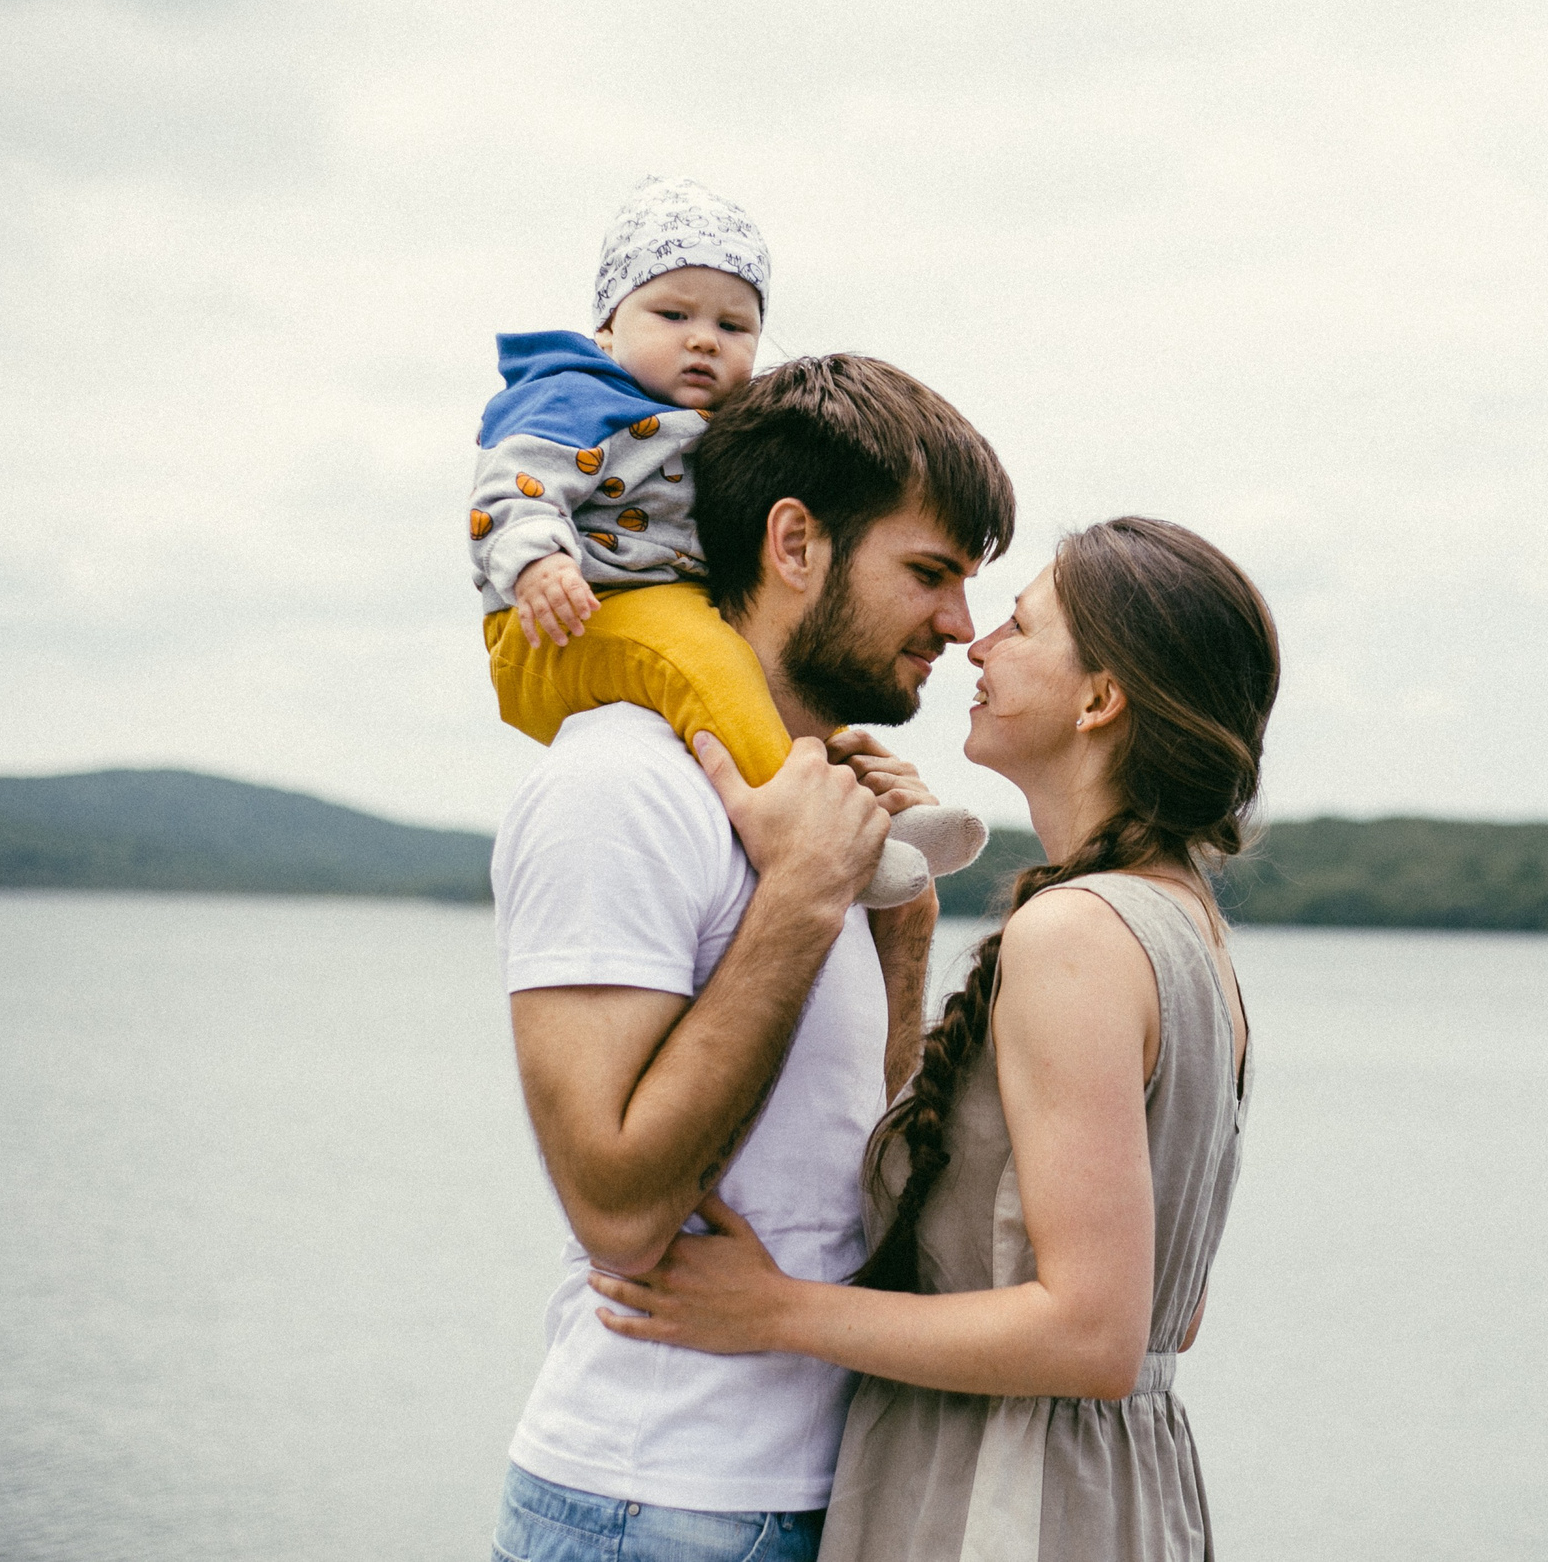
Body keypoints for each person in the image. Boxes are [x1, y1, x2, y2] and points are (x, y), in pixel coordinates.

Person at [586, 517, 1280, 1562]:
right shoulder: (1185, 928)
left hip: (1008, 1505)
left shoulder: (1074, 934)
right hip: (1120, 1496)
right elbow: (1162, 1320)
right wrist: (898, 912)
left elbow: (1090, 1334)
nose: (977, 643)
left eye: (1020, 624)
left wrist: (777, 1311)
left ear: (1100, 700)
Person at [488, 354, 1016, 1562]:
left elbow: (854, 1174)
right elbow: (615, 1205)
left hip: (827, 1492)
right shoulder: (617, 783)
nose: (959, 626)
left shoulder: (811, 806)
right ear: (794, 544)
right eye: (928, 574)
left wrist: (898, 925)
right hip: (654, 1505)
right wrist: (801, 900)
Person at [469, 174, 988, 908]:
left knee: (767, 686)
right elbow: (512, 482)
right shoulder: (573, 396)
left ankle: (883, 819)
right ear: (607, 330)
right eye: (673, 313)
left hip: (661, 606)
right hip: (567, 616)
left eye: (734, 327)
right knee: (711, 664)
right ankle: (829, 845)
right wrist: (540, 562)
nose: (703, 339)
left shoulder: (719, 425)